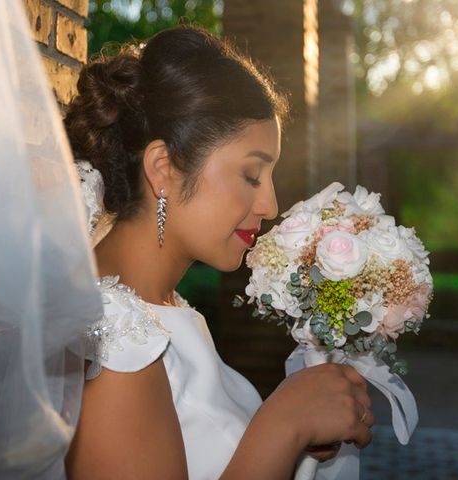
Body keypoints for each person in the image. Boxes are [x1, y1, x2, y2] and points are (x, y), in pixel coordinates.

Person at [63, 26, 374, 479]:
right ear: (163, 168)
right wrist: (283, 426)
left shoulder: (165, 309)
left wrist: (301, 439)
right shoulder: (112, 344)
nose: (269, 206)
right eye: (251, 175)